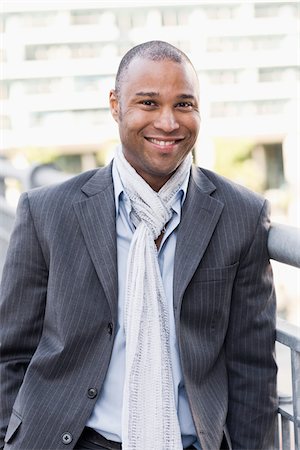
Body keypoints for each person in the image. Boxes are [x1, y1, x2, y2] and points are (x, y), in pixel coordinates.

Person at [0, 40, 277, 450]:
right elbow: (10, 353)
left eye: (184, 104)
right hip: (70, 440)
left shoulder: (242, 216)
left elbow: (253, 373)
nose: (168, 123)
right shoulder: (47, 212)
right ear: (116, 105)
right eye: (148, 103)